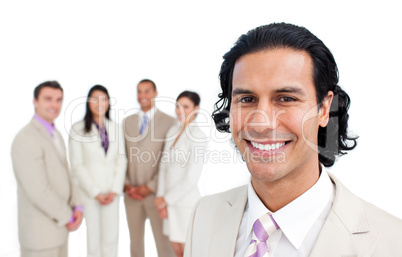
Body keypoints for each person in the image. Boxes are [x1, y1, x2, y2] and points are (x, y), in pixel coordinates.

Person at [184, 23, 402, 257]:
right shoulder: (203, 215)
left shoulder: (391, 242)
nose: (261, 123)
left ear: (324, 108)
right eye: (247, 99)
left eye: (286, 98)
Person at [11, 81, 83, 257]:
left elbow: (67, 173)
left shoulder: (55, 134)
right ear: (35, 101)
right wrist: (68, 216)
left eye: (59, 100)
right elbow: (38, 190)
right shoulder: (26, 139)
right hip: (40, 237)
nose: (54, 105)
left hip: (60, 233)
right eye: (48, 99)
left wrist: (78, 206)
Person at [68, 85, 127, 257]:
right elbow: (77, 165)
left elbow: (121, 160)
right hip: (90, 194)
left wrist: (114, 190)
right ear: (88, 102)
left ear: (108, 102)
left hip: (112, 194)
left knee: (111, 240)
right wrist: (96, 193)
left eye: (103, 99)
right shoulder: (77, 129)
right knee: (93, 242)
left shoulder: (115, 128)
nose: (99, 103)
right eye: (94, 99)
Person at [123, 79, 176, 257]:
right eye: (139, 91)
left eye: (147, 91)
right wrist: (126, 184)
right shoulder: (127, 122)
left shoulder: (170, 122)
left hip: (156, 195)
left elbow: (168, 161)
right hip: (131, 195)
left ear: (155, 93)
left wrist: (150, 187)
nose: (142, 96)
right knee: (135, 245)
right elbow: (121, 156)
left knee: (164, 245)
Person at [155, 91, 208, 257]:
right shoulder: (172, 131)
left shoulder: (198, 137)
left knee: (187, 251)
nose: (180, 111)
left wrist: (166, 200)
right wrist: (160, 198)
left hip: (185, 203)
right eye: (177, 106)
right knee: (175, 250)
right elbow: (163, 168)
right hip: (168, 203)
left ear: (196, 108)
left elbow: (191, 178)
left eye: (185, 107)